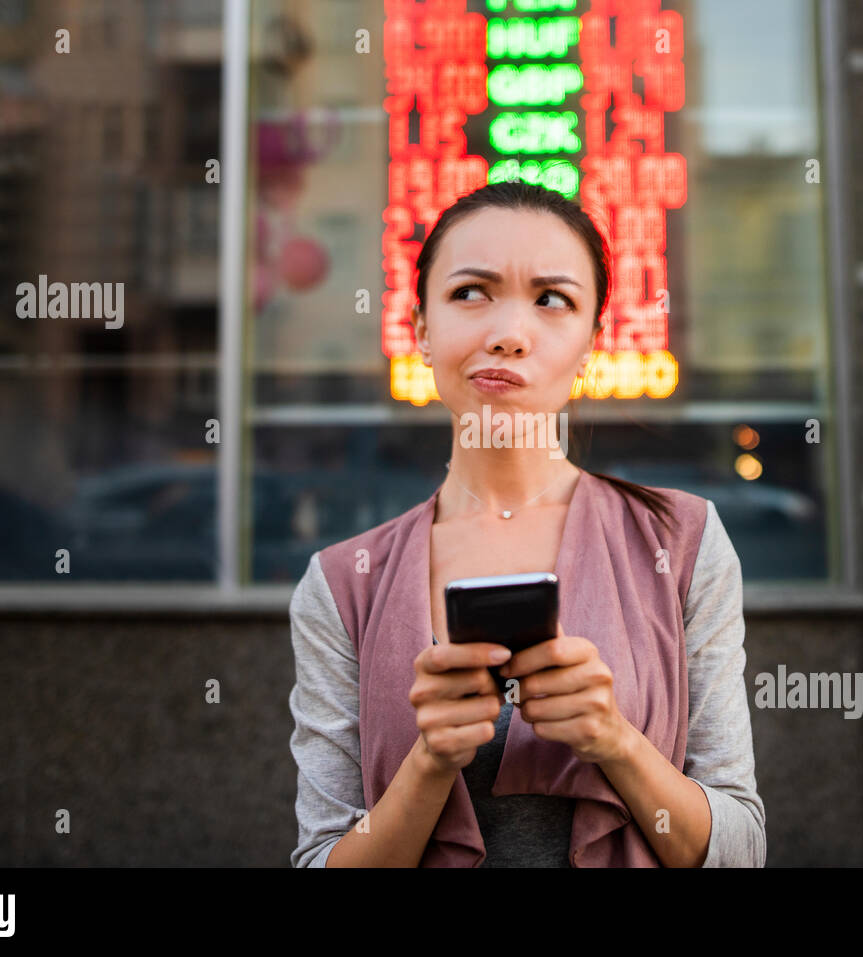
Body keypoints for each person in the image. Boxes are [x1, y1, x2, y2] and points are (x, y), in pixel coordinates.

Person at [288, 181, 765, 867]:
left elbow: (742, 851)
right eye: (471, 292)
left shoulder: (682, 542)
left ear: (591, 343)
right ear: (420, 329)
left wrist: (614, 739)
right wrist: (430, 763)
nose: (508, 334)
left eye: (551, 299)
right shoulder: (342, 584)